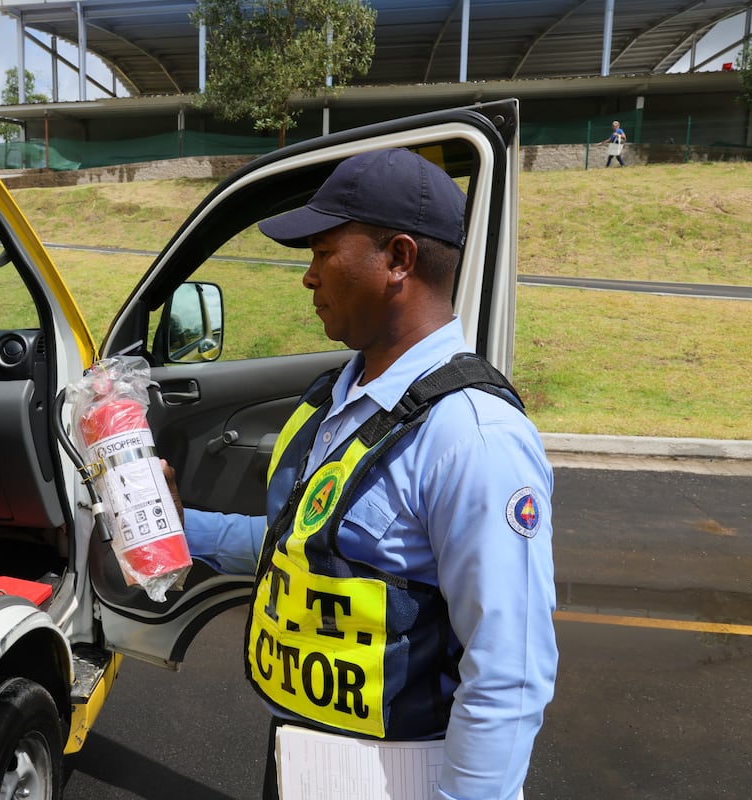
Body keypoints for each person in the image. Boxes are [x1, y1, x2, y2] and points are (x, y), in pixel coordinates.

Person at [168, 148, 557, 799]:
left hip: (400, 779)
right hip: (309, 763)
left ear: (398, 260)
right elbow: (306, 549)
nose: (309, 277)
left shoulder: (475, 438)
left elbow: (508, 674)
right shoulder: (340, 398)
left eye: (323, 252)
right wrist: (181, 528)